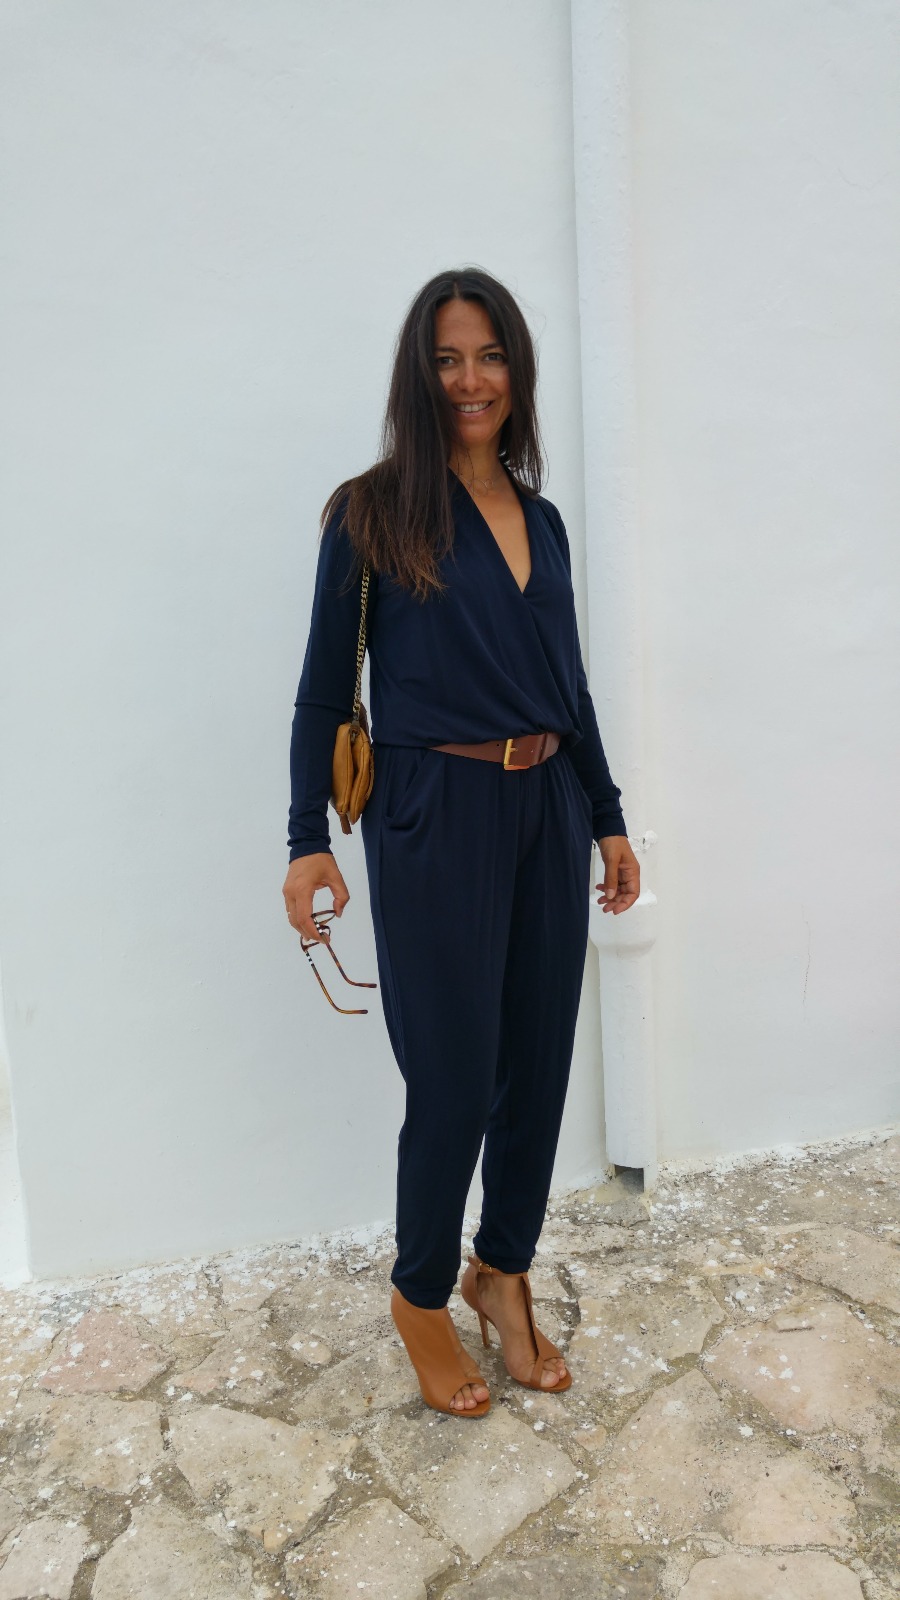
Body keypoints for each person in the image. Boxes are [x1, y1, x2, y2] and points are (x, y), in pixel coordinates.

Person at [283, 267, 640, 1419]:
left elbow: (568, 687)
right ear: (418, 375)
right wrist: (305, 838)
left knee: (536, 1064)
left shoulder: (544, 520)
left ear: (515, 372)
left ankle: (504, 1270)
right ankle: (421, 1294)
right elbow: (322, 693)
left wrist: (607, 814)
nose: (470, 379)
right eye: (446, 359)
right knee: (452, 1078)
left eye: (489, 356)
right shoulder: (373, 514)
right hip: (434, 813)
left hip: (547, 808)